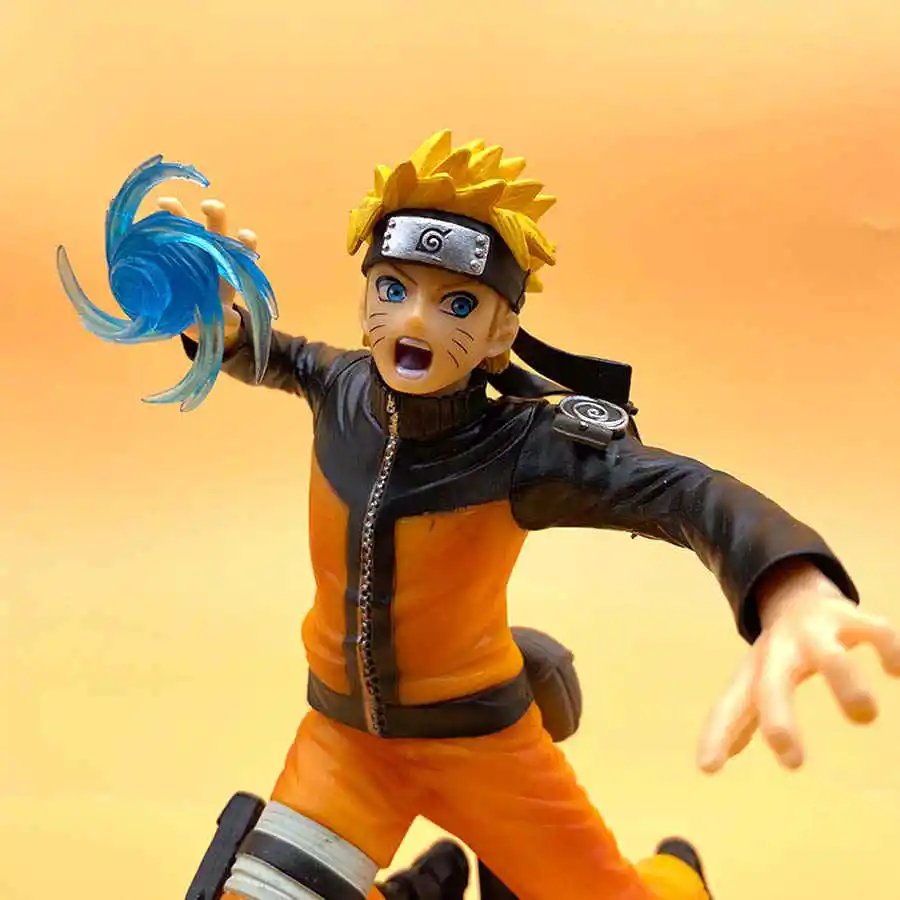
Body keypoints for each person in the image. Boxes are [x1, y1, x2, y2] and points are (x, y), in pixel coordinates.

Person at [160, 130, 899, 900]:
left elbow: (685, 493)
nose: (413, 322)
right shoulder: (341, 387)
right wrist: (220, 329)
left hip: (482, 747)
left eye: (456, 303)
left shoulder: (522, 447)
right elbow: (270, 353)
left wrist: (788, 585)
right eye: (392, 289)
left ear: (499, 335)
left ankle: (678, 876)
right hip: (344, 742)